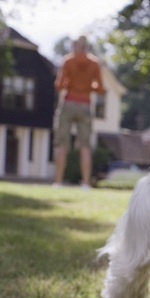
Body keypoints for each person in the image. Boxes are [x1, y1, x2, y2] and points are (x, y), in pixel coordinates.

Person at [53, 35, 104, 189]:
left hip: (68, 102)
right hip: (85, 105)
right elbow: (100, 89)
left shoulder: (67, 61)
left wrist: (70, 83)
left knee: (62, 144)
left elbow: (59, 86)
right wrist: (88, 86)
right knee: (85, 146)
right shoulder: (94, 63)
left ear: (75, 46)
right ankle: (86, 183)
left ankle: (58, 182)